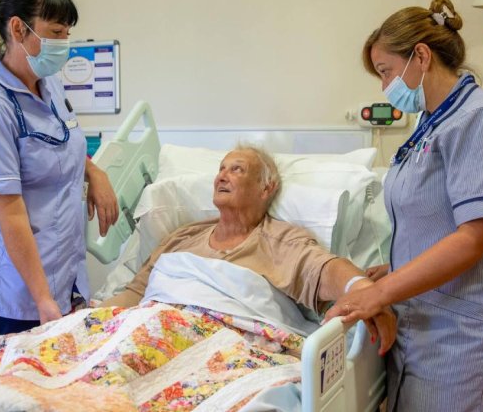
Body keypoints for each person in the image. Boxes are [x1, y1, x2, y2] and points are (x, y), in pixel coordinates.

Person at [324, 0, 483, 411]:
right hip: (427, 317)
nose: (385, 88)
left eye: (386, 72)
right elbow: (436, 217)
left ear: (420, 55)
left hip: (469, 329)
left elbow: (479, 237)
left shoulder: (482, 117)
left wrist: (380, 292)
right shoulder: (430, 126)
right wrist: (399, 263)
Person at [102, 145, 397, 354]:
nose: (221, 176)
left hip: (224, 348)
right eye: (221, 169)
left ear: (266, 188)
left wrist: (363, 289)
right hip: (150, 333)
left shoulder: (279, 240)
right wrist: (92, 315)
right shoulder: (181, 237)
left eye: (236, 169)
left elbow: (326, 270)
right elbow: (135, 294)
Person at [0, 0, 119, 337]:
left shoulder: (51, 86)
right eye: (57, 33)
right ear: (19, 29)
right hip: (14, 296)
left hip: (61, 278)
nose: (65, 44)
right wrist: (43, 300)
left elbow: (64, 144)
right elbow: (10, 213)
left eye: (67, 33)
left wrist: (95, 173)